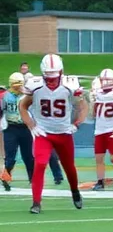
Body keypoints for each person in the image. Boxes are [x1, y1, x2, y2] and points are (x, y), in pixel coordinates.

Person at [18, 54, 84, 214]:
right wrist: (31, 125)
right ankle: (36, 202)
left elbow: (83, 106)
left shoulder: (70, 85)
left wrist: (76, 124)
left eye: (54, 75)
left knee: (69, 167)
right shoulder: (36, 85)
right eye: (48, 76)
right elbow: (23, 106)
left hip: (64, 133)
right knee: (40, 164)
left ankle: (75, 191)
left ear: (61, 71)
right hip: (44, 133)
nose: (51, 80)